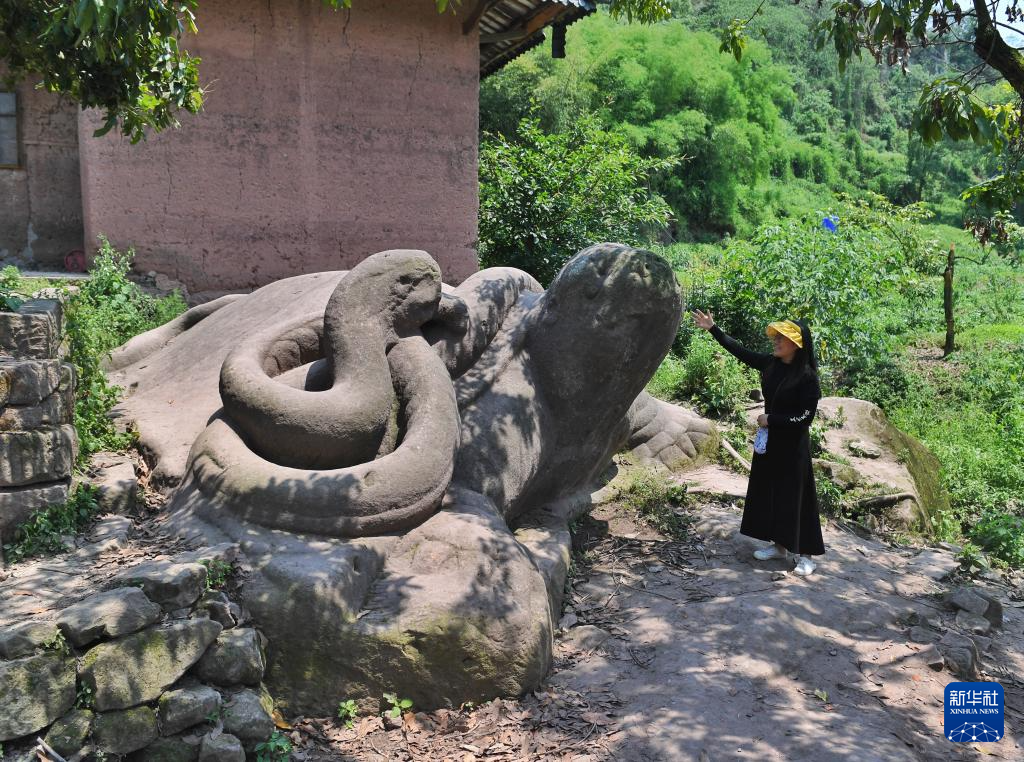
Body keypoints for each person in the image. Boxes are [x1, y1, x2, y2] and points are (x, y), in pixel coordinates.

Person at [690, 309, 825, 576]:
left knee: (796, 498)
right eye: (776, 337)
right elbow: (740, 351)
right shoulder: (771, 364)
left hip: (793, 449)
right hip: (770, 444)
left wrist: (771, 419)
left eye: (781, 338)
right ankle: (779, 547)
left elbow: (805, 417)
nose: (776, 341)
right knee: (772, 493)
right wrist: (713, 329)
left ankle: (806, 556)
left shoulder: (807, 377)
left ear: (796, 345)